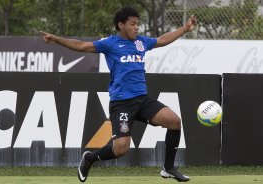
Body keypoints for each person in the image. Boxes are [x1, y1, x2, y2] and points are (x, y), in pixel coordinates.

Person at [40, 6, 197, 183]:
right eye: (133, 24)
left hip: (142, 100)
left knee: (174, 121)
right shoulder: (110, 43)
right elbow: (82, 46)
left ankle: (168, 168)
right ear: (121, 25)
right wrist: (56, 39)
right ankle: (90, 158)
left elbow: (161, 40)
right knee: (121, 150)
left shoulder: (141, 42)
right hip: (122, 104)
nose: (137, 27)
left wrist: (185, 28)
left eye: (138, 24)